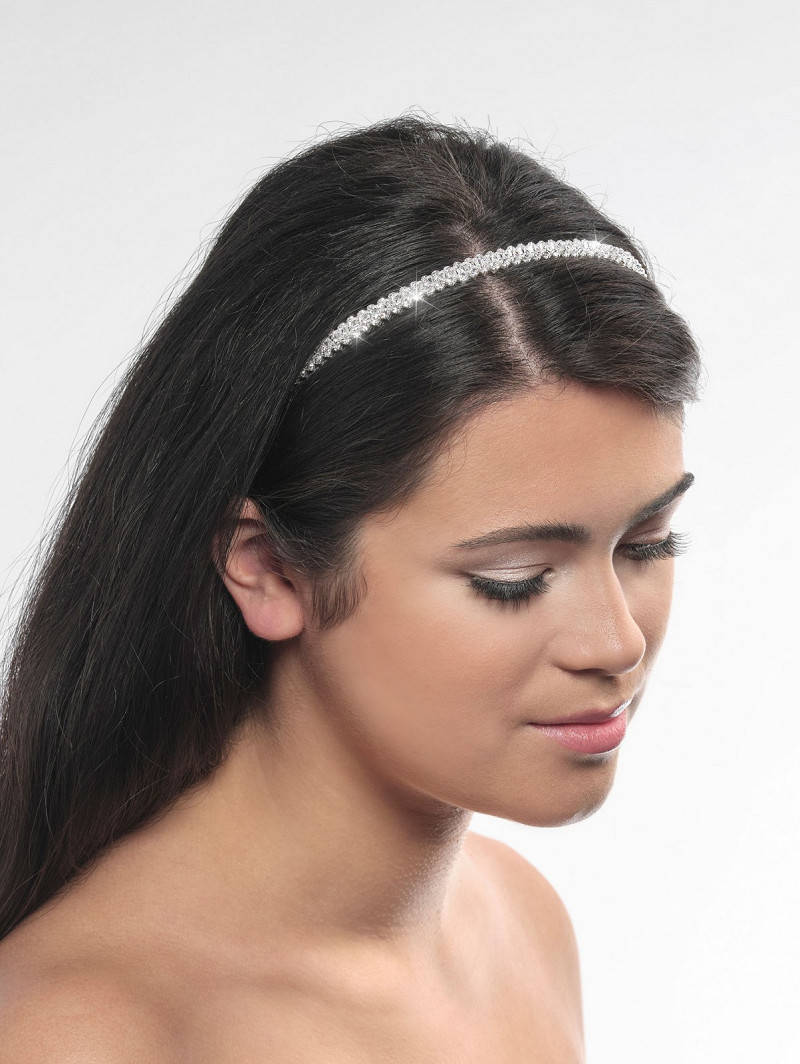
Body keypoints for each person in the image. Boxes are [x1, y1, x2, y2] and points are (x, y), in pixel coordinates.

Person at [0, 115, 700, 1061]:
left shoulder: (520, 925)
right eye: (514, 579)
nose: (617, 643)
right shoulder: (86, 1035)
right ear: (267, 565)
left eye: (649, 544)